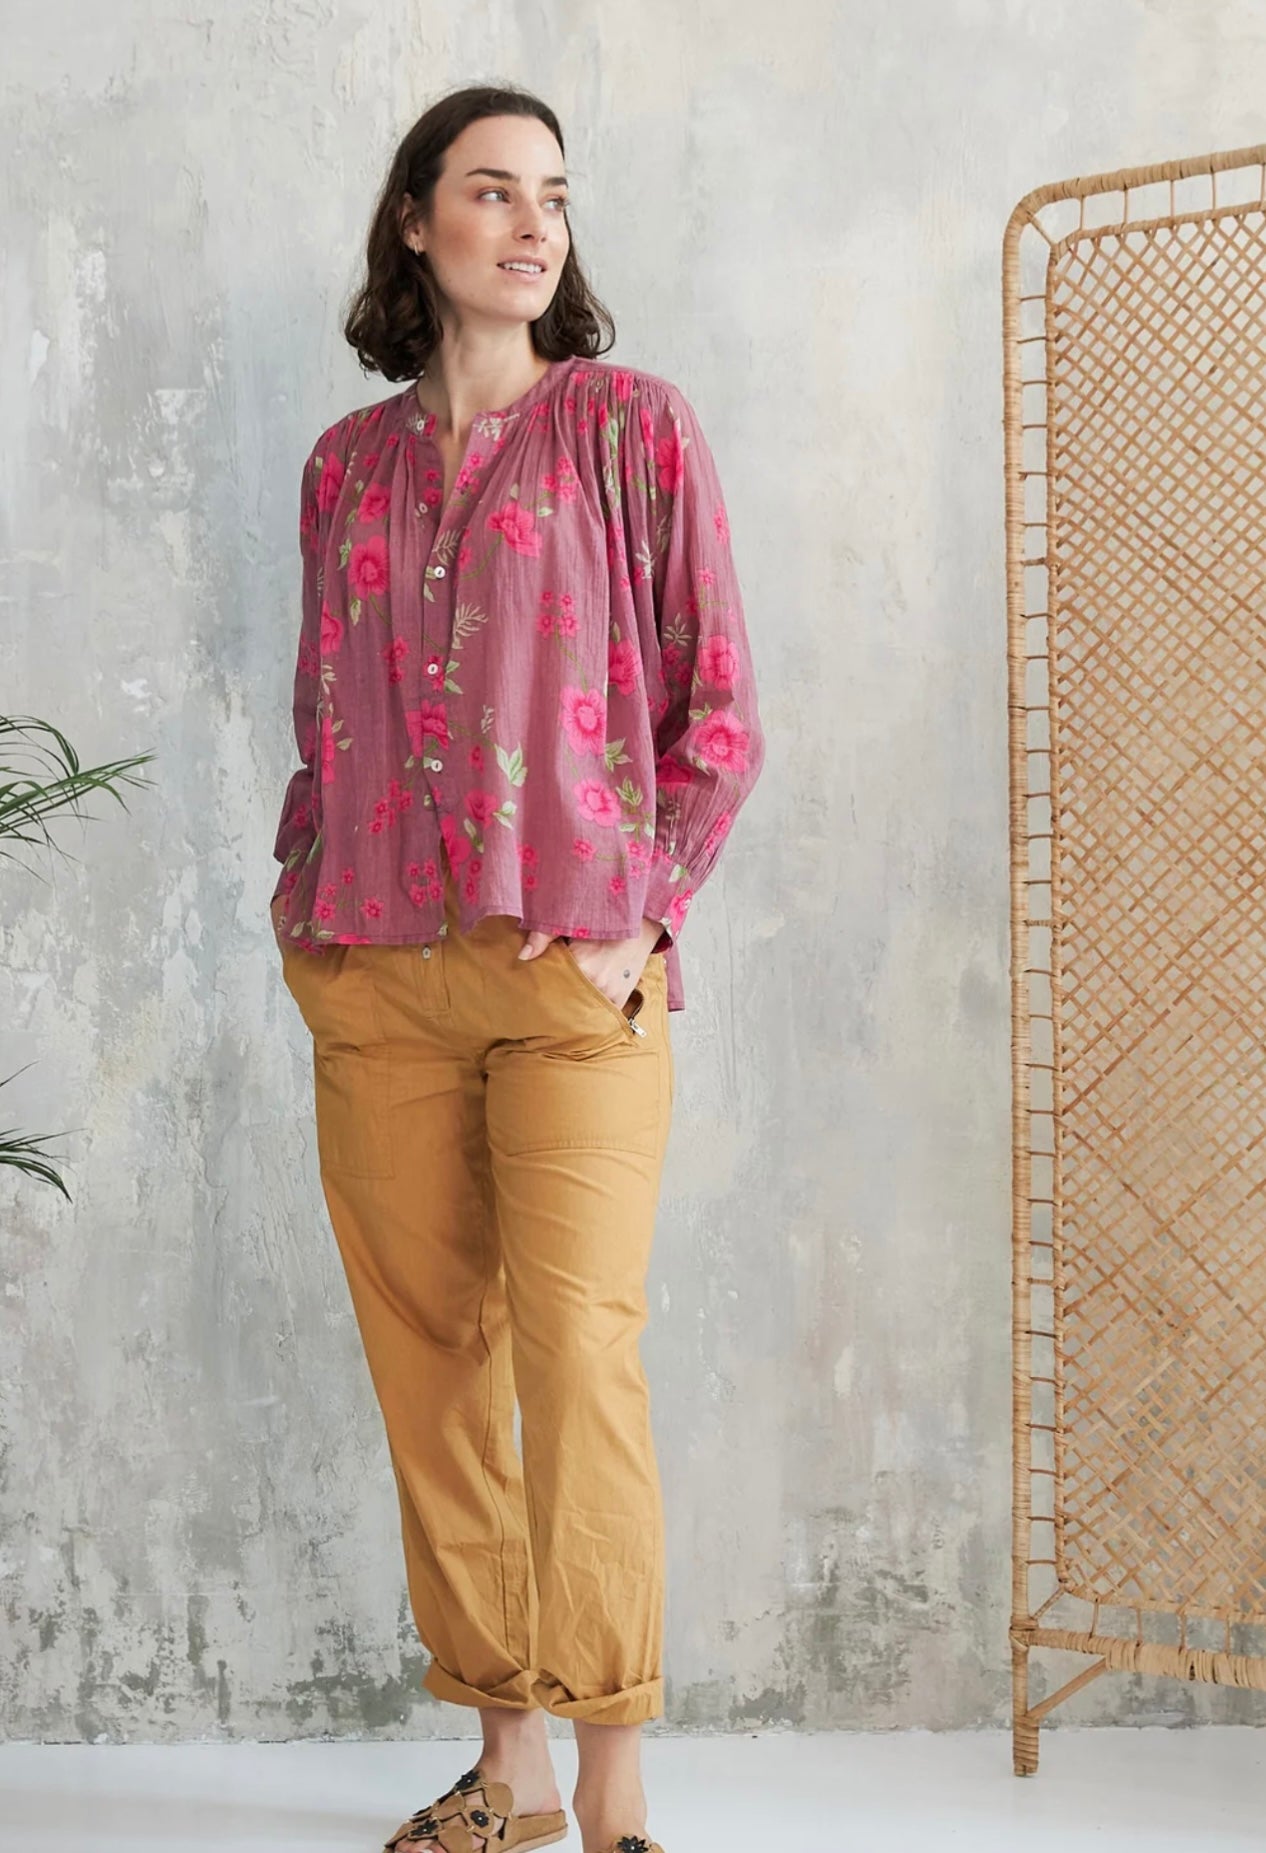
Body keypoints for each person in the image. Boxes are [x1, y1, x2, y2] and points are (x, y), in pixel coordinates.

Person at [268, 82, 764, 1853]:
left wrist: (646, 907)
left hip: (571, 977)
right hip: (375, 974)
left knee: (577, 1361)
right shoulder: (344, 465)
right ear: (415, 221)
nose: (531, 222)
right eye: (490, 191)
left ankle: (615, 1787)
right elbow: (323, 709)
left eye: (551, 193)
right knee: (434, 1383)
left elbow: (719, 708)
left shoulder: (628, 424)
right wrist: (305, 896)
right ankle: (512, 1769)